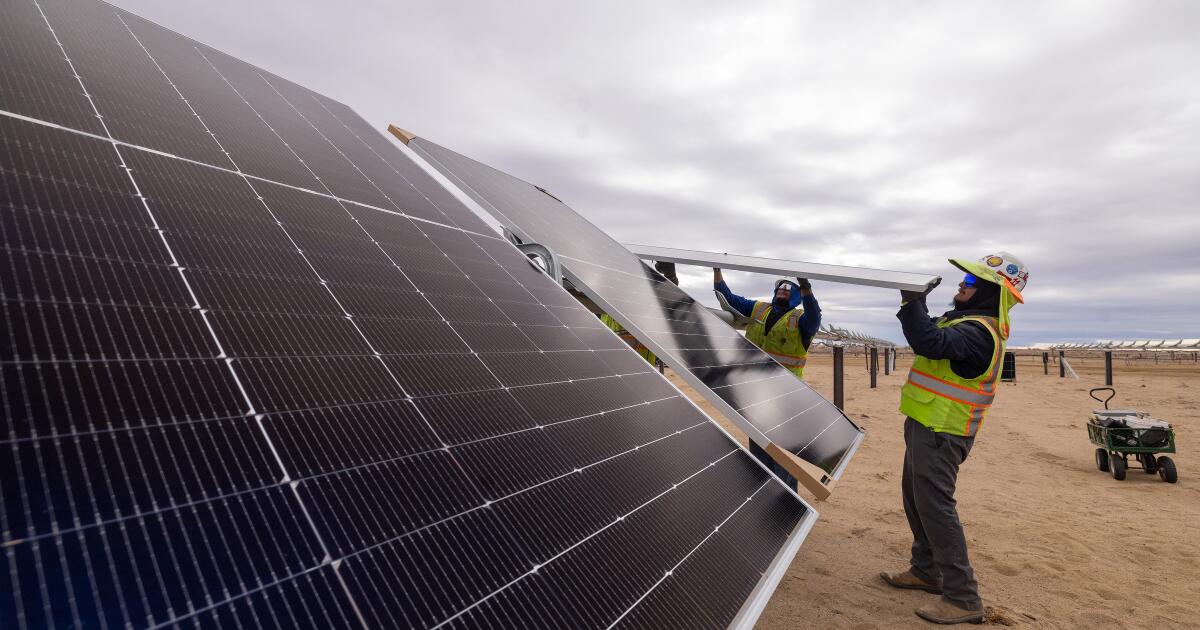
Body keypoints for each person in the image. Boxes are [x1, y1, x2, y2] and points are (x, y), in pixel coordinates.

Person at [881, 252, 1028, 625]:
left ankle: (963, 598)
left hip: (942, 431)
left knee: (936, 508)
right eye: (967, 279)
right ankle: (926, 571)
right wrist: (915, 303)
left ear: (992, 294)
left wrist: (913, 299)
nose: (964, 284)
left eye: (973, 282)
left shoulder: (978, 332)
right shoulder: (964, 321)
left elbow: (928, 343)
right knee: (916, 500)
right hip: (927, 423)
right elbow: (928, 332)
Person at [712, 268, 821, 486]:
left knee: (784, 450)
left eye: (789, 288)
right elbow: (728, 298)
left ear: (797, 295)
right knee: (759, 443)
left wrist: (807, 288)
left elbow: (814, 318)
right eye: (780, 287)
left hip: (787, 393)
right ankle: (762, 490)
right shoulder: (759, 309)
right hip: (758, 391)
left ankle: (787, 497)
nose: (783, 289)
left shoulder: (800, 319)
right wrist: (717, 269)